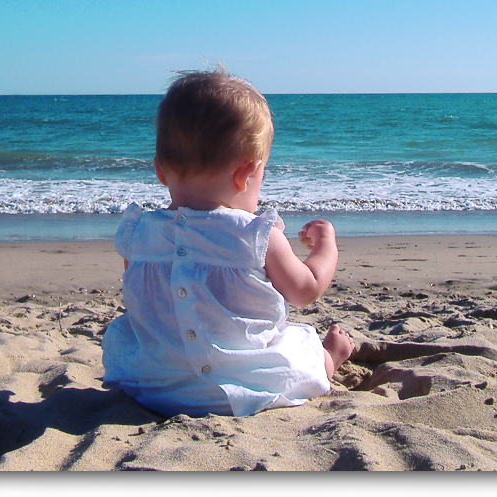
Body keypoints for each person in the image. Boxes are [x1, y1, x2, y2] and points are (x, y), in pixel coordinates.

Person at [102, 67, 354, 417]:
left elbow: (140, 299)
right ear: (245, 174)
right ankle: (331, 358)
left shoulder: (139, 232)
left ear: (159, 170)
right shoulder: (254, 234)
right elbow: (306, 289)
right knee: (297, 348)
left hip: (153, 385)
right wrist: (327, 244)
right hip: (240, 387)